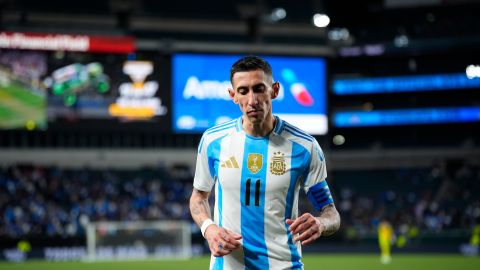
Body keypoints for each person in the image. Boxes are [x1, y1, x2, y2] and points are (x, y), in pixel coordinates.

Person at [189, 55, 340, 269]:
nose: (252, 100)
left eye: (259, 89)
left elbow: (330, 212)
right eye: (243, 91)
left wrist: (321, 223)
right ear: (233, 96)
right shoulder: (213, 141)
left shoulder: (304, 147)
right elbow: (198, 198)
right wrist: (209, 228)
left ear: (275, 90)